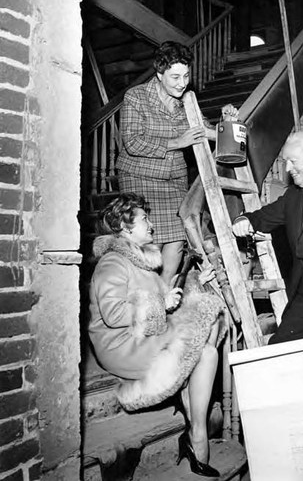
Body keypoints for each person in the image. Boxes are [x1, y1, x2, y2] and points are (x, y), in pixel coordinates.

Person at [88, 193, 225, 477]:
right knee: (204, 351)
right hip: (121, 344)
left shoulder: (142, 262)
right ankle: (196, 432)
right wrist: (160, 304)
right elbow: (114, 315)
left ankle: (192, 419)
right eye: (145, 219)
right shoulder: (112, 262)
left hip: (146, 334)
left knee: (207, 325)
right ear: (126, 227)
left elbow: (166, 298)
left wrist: (198, 282)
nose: (151, 225)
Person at [117, 40, 238, 285]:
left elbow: (206, 130)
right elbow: (132, 142)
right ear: (159, 74)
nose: (182, 83)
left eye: (185, 75)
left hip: (174, 180)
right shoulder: (137, 97)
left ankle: (165, 293)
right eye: (174, 77)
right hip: (141, 178)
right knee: (150, 242)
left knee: (177, 239)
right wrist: (177, 142)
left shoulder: (187, 102)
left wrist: (226, 122)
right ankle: (145, 294)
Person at [232, 130, 303, 344]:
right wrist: (244, 221)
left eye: (293, 161)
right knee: (279, 346)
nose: (287, 169)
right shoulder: (293, 196)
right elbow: (262, 216)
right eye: (285, 162)